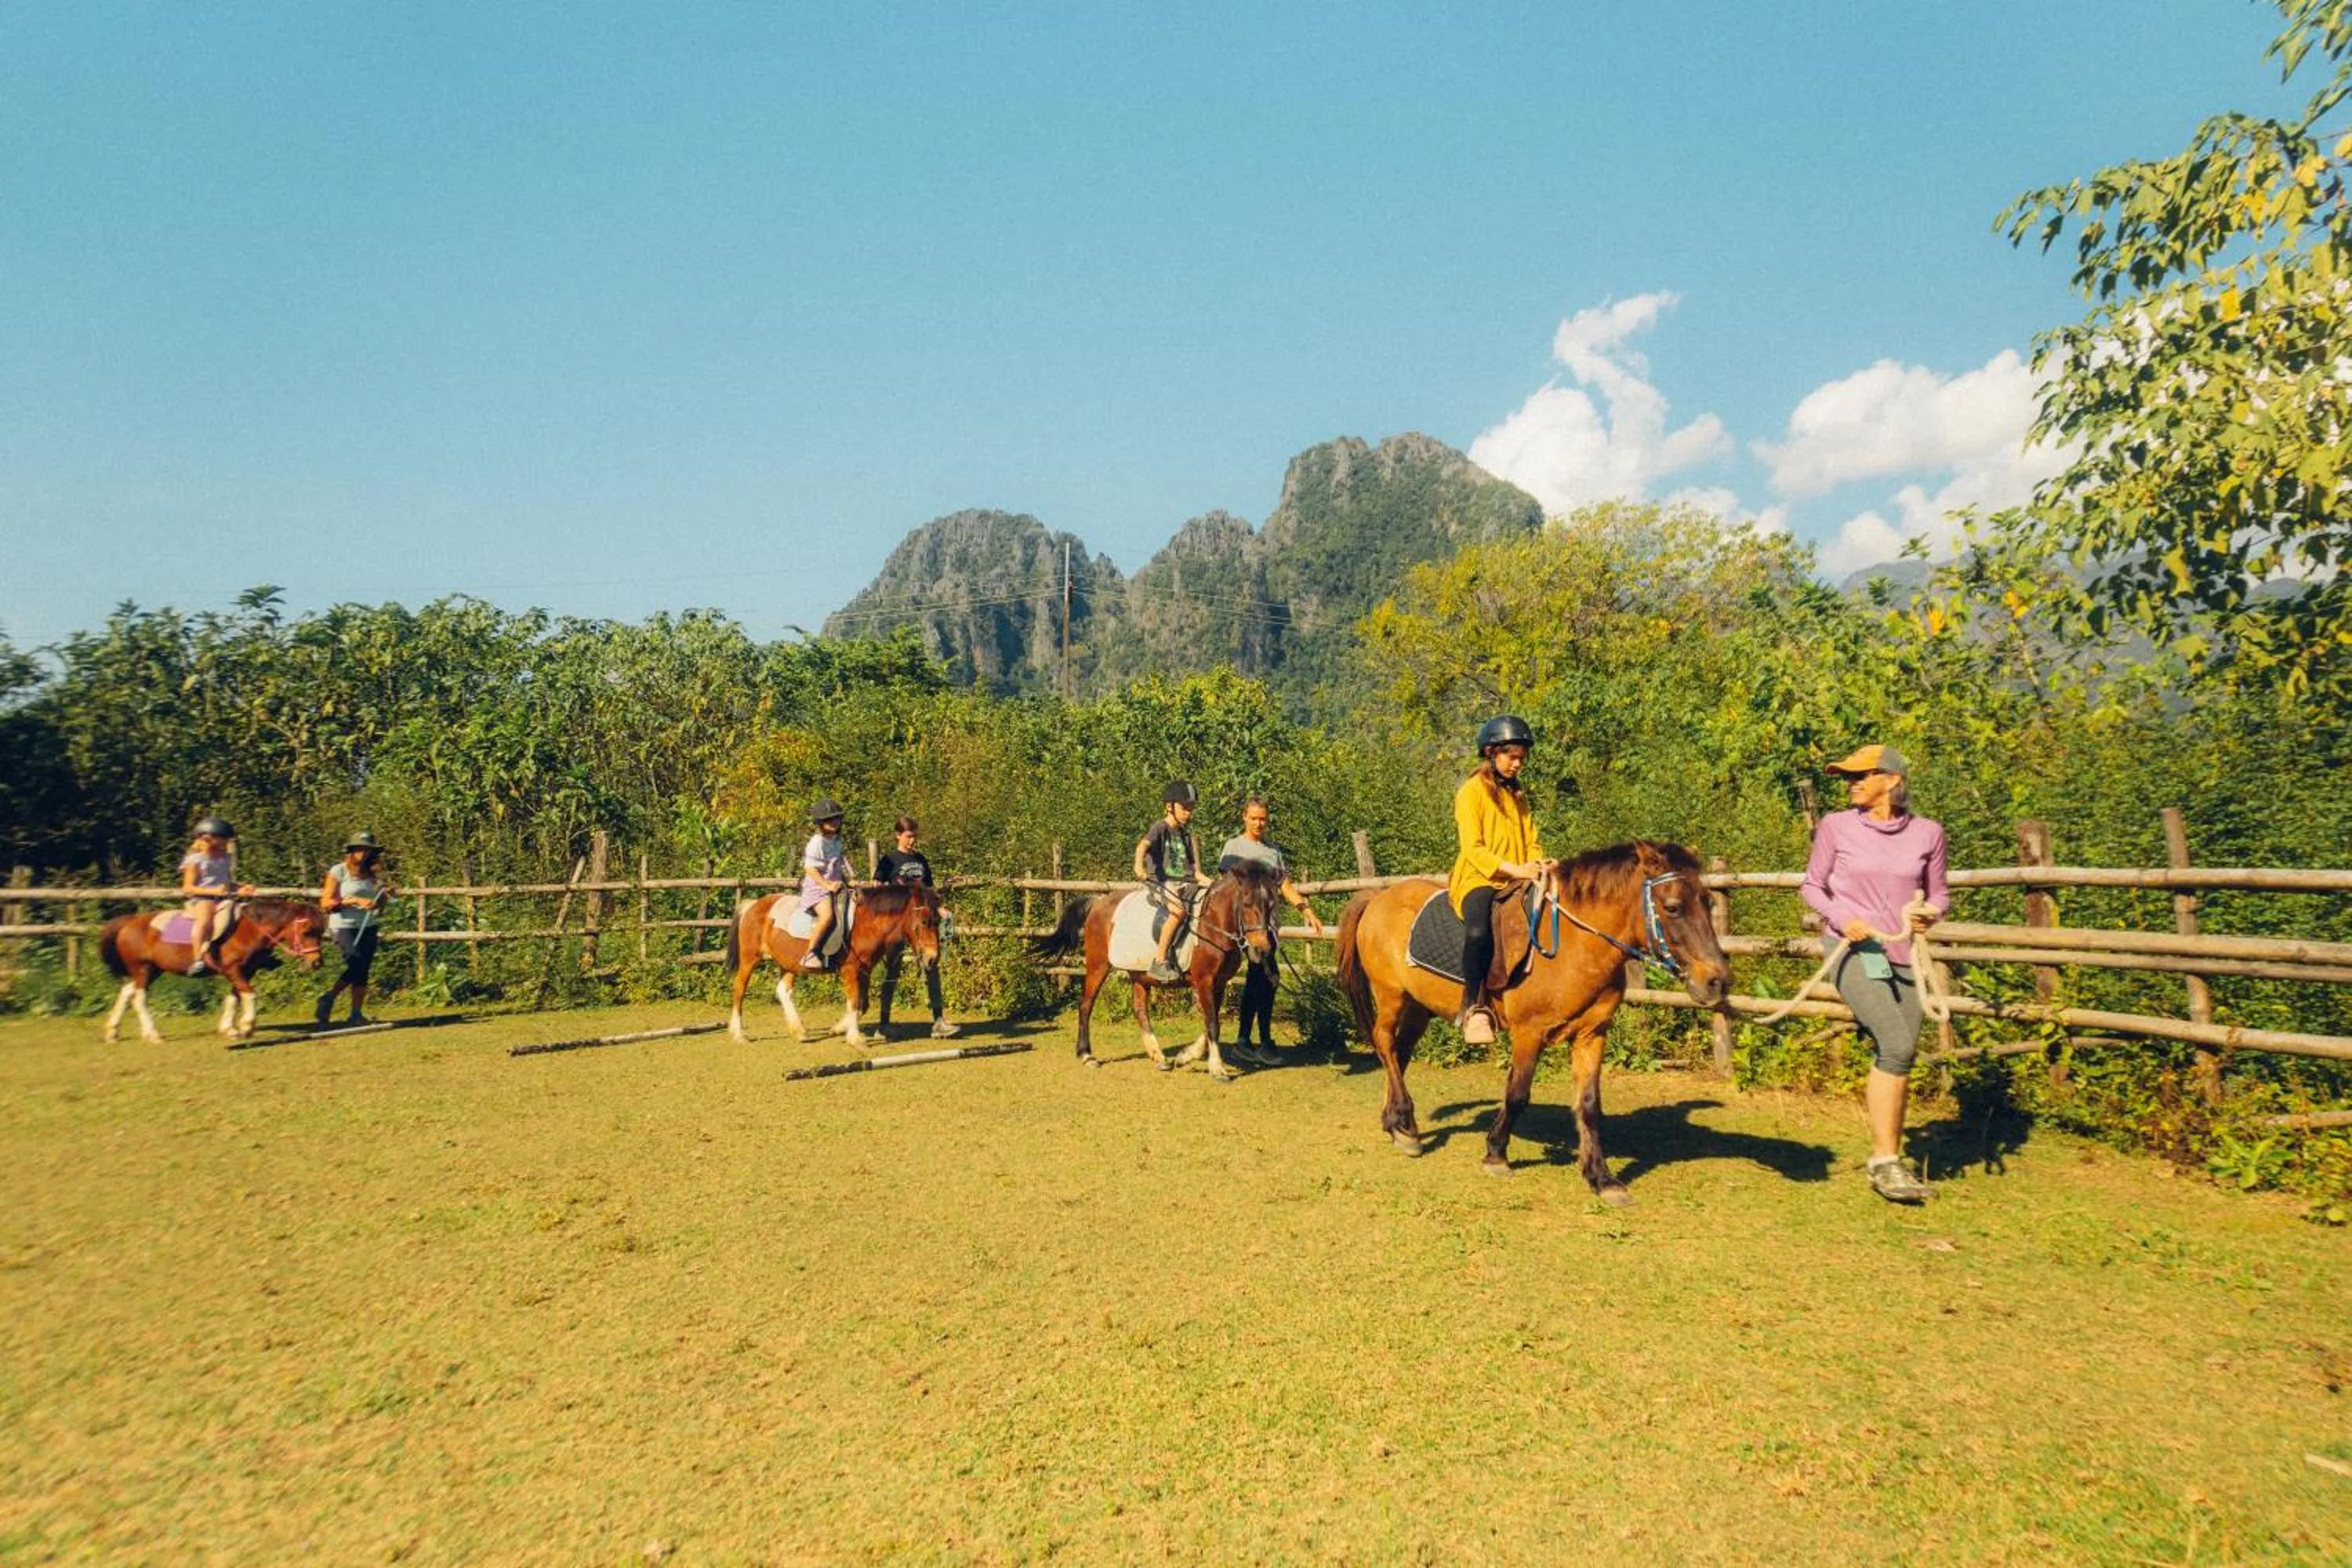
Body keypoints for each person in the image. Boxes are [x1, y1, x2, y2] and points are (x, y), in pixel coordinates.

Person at [1800, 742, 1951, 1204]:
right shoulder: (1836, 826)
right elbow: (1812, 885)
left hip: (1903, 951)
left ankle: (1890, 1156)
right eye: (1849, 776)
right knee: (1897, 1041)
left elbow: (1940, 894)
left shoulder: (1929, 833)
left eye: (1862, 775)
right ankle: (1886, 1163)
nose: (1852, 783)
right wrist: (1844, 919)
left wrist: (1930, 913)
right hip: (1851, 946)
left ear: (1893, 780)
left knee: (1901, 1054)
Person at [1449, 717, 1548, 1047]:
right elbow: (1474, 849)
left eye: (1522, 757)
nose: (1518, 763)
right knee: (1478, 931)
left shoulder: (1518, 794)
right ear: (1491, 753)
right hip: (1480, 878)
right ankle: (1472, 1006)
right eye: (1512, 757)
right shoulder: (1471, 793)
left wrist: (1537, 860)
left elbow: (1531, 838)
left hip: (1518, 877)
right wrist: (1515, 870)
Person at [1217, 797, 1323, 1065]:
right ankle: (1257, 1041)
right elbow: (1226, 887)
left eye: (1263, 818)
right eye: (1253, 818)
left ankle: (1250, 1041)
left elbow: (1285, 885)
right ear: (1244, 818)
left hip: (1268, 926)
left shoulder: (1272, 851)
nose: (1258, 823)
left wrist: (1305, 910)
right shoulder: (1234, 847)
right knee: (1263, 977)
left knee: (1265, 981)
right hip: (1246, 929)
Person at [874, 815, 960, 1039]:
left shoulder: (921, 860)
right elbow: (877, 889)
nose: (913, 841)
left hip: (921, 925)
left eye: (915, 837)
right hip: (897, 926)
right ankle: (883, 1024)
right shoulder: (888, 861)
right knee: (893, 970)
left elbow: (930, 891)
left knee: (931, 965)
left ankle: (939, 1021)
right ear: (898, 836)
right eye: (909, 836)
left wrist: (941, 909)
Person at [316, 831, 395, 1025]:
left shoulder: (374, 874)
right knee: (356, 961)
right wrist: (354, 901)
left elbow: (378, 903)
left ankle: (355, 1013)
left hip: (368, 925)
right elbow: (326, 902)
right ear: (351, 851)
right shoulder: (339, 871)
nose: (364, 853)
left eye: (368, 850)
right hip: (343, 925)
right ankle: (329, 997)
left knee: (362, 969)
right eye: (360, 849)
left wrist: (383, 898)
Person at [1137, 781, 1211, 984]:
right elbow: (1143, 845)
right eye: (1184, 808)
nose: (1189, 813)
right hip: (1162, 882)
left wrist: (1213, 884)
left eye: (1191, 809)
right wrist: (1139, 866)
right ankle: (1159, 960)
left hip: (1185, 882)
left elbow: (1195, 872)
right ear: (1170, 806)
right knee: (1177, 911)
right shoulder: (1160, 828)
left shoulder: (1186, 836)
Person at [179, 815, 253, 975]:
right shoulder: (195, 860)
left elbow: (226, 882)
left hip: (223, 897)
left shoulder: (225, 858)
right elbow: (187, 888)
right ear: (209, 838)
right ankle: (197, 958)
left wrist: (241, 888)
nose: (227, 842)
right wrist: (213, 892)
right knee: (204, 921)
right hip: (203, 898)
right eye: (224, 839)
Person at [798, 800, 851, 969]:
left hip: (835, 884)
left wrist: (847, 879)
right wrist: (827, 886)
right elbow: (810, 869)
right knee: (827, 915)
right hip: (817, 888)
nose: (834, 823)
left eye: (836, 819)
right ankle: (810, 953)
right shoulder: (817, 843)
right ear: (820, 823)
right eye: (829, 820)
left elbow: (838, 862)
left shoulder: (836, 840)